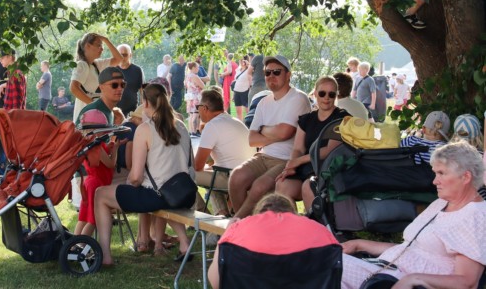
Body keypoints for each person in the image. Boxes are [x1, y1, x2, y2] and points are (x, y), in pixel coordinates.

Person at [340, 142, 486, 289]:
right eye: (435, 173)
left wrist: (414, 279)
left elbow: (467, 282)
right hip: (386, 272)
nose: (435, 181)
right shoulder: (442, 203)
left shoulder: (475, 216)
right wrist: (358, 244)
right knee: (330, 259)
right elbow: (410, 250)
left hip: (399, 281)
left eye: (441, 173)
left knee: (331, 266)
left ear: (466, 177)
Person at [94, 83, 195, 265]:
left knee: (100, 194)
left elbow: (136, 177)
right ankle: (184, 243)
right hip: (183, 194)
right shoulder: (181, 126)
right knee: (163, 200)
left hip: (156, 196)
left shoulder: (145, 129)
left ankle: (105, 256)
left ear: (146, 103)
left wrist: (127, 186)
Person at [228, 55, 311, 218]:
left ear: (288, 75)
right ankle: (249, 225)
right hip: (263, 156)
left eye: (277, 72)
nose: (271, 76)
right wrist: (277, 133)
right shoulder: (263, 102)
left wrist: (263, 130)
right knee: (236, 177)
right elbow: (252, 140)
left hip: (287, 160)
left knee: (259, 187)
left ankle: (238, 222)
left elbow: (285, 132)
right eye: (267, 73)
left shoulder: (298, 98)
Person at [208, 193, 340, 289]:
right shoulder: (320, 232)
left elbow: (216, 282)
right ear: (294, 215)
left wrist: (227, 233)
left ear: (258, 214)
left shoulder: (237, 231)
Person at [275, 76, 350, 209]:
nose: (326, 98)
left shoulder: (341, 118)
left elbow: (329, 151)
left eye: (331, 94)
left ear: (336, 96)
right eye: (322, 93)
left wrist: (298, 161)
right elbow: (298, 148)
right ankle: (291, 220)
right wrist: (291, 167)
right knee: (282, 184)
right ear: (315, 93)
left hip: (328, 171)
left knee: (308, 185)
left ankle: (314, 221)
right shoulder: (307, 119)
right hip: (306, 169)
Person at [194, 89, 255, 215]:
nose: (197, 111)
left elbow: (197, 166)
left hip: (232, 177)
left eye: (197, 107)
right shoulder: (235, 121)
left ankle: (203, 216)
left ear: (204, 108)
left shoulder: (212, 125)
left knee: (183, 175)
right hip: (249, 176)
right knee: (212, 175)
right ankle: (221, 214)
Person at [73, 108, 121, 237]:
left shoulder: (89, 143)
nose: (105, 133)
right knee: (94, 220)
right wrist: (115, 149)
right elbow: (110, 164)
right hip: (96, 184)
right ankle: (82, 244)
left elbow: (101, 158)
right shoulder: (96, 146)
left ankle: (73, 244)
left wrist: (109, 147)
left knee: (83, 218)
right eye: (103, 130)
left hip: (89, 183)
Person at [70, 33, 122, 121]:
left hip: (92, 114)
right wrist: (96, 106)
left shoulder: (96, 65)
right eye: (98, 45)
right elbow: (74, 88)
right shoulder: (82, 65)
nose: (102, 49)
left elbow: (119, 59)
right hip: (85, 115)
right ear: (88, 46)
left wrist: (106, 40)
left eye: (102, 46)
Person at [116, 44, 144, 116]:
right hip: (115, 111)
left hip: (132, 112)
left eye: (125, 55)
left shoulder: (137, 70)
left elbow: (142, 90)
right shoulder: (112, 70)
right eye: (120, 54)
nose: (122, 57)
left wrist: (142, 109)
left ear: (130, 55)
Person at [185, 61, 206, 134]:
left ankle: (191, 131)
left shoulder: (187, 76)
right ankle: (195, 131)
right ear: (193, 67)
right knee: (196, 114)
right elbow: (203, 86)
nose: (198, 69)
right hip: (196, 96)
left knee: (191, 114)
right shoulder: (195, 76)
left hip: (189, 96)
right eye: (197, 67)